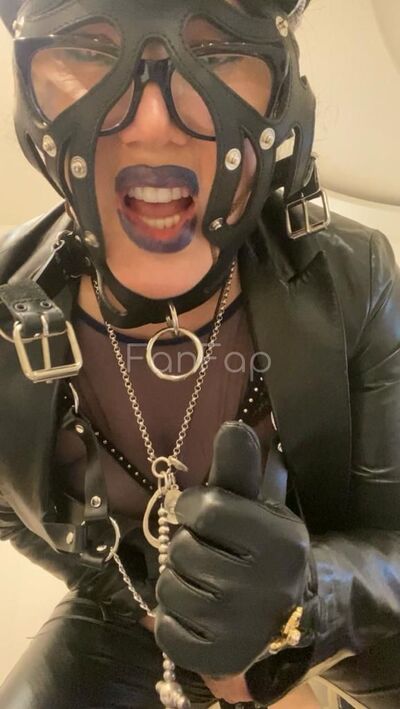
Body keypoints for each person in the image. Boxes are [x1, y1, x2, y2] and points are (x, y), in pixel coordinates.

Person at [0, 0, 399, 707]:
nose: (154, 123)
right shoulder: (6, 310)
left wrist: (310, 597)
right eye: (89, 49)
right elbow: (14, 513)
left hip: (337, 603)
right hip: (133, 611)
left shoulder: (355, 277)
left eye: (218, 52)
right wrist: (141, 598)